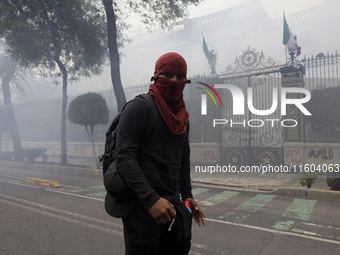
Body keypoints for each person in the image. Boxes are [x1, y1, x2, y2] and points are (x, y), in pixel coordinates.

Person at [115, 52, 206, 255]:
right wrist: (150, 200)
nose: (174, 81)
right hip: (143, 208)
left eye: (180, 77)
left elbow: (183, 160)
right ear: (156, 77)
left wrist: (188, 196)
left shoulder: (182, 117)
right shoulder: (138, 108)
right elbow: (124, 157)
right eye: (168, 75)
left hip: (175, 207)